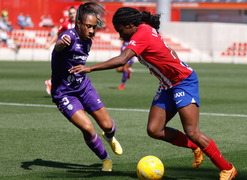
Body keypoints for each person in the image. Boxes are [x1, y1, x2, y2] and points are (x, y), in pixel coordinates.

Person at [69, 7, 236, 180]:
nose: (120, 35)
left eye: (120, 31)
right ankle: (195, 147)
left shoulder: (141, 34)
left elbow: (122, 59)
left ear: (130, 25)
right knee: (154, 129)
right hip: (167, 85)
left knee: (193, 131)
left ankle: (227, 168)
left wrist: (90, 68)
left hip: (183, 82)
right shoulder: (144, 29)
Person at [51, 2, 122, 172]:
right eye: (88, 26)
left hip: (84, 87)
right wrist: (61, 42)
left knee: (107, 126)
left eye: (94, 27)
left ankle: (110, 136)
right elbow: (58, 46)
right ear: (79, 24)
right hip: (65, 94)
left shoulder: (88, 40)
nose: (92, 30)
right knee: (88, 128)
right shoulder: (69, 37)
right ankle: (106, 160)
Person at [45, 6, 77, 95]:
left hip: (75, 52)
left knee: (70, 71)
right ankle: (53, 83)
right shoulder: (65, 24)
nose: (72, 15)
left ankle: (52, 83)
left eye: (74, 13)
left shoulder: (80, 23)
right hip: (65, 52)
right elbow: (58, 34)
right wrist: (49, 43)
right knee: (69, 70)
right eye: (70, 13)